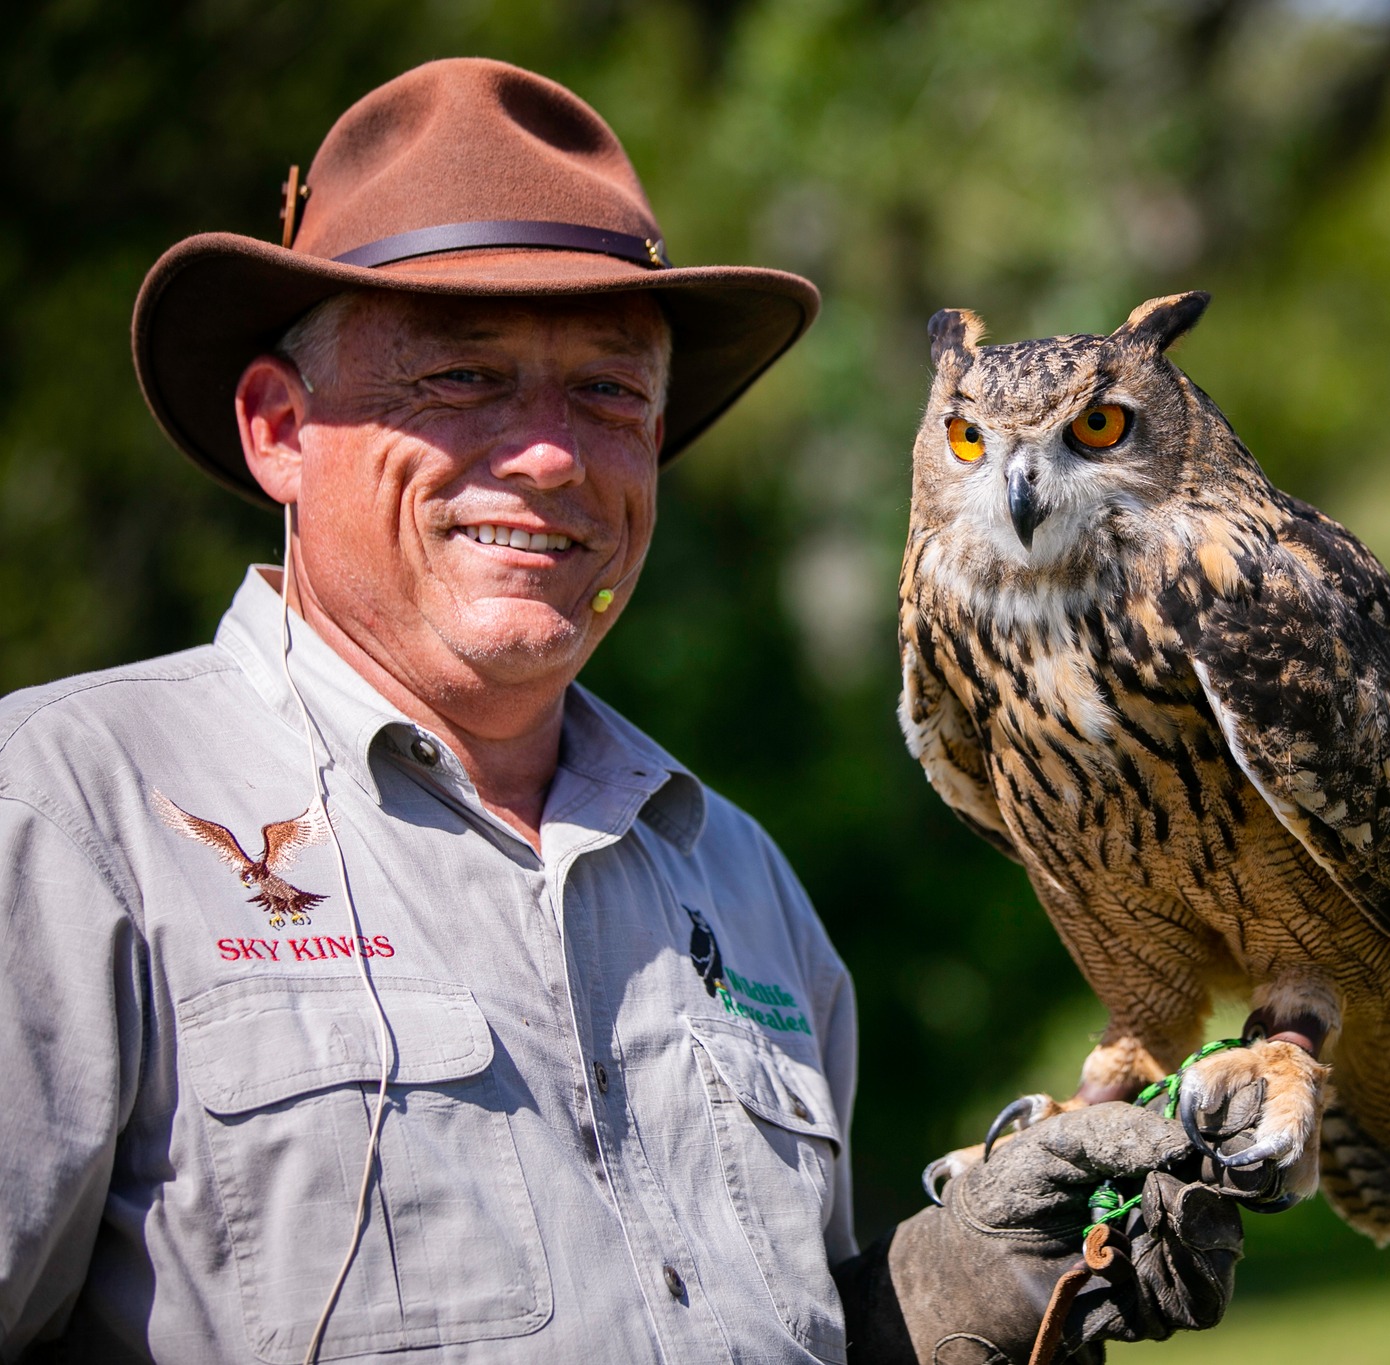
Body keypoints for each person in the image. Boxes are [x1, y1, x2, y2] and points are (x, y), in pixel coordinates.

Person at [0, 59, 1242, 1365]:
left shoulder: (738, 879)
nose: (549, 456)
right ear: (279, 429)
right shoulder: (66, 814)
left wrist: (949, 1301)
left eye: (608, 393)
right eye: (462, 379)